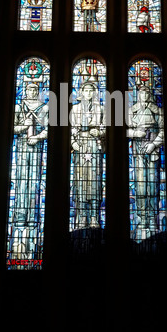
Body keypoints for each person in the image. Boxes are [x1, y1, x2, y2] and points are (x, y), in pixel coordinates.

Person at [11, 83, 48, 258]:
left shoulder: (45, 107)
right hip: (21, 146)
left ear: (38, 91)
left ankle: (33, 218)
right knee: (21, 182)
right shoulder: (18, 107)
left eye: (35, 90)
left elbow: (49, 129)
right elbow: (12, 128)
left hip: (37, 147)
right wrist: (24, 127)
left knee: (34, 182)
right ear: (25, 91)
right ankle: (19, 218)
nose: (32, 92)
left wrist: (38, 137)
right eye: (29, 89)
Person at [127, 84, 164, 230]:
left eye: (147, 93)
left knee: (153, 186)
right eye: (141, 93)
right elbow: (122, 131)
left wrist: (154, 144)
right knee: (140, 185)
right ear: (138, 95)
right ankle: (142, 218)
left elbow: (164, 130)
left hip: (153, 151)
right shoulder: (132, 111)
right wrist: (136, 134)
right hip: (138, 152)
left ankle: (152, 218)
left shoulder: (158, 111)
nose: (144, 96)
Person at [70, 79, 105, 229]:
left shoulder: (101, 109)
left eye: (91, 91)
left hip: (94, 146)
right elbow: (70, 129)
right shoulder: (75, 109)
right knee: (80, 181)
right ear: (81, 92)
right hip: (80, 146)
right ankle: (82, 216)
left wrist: (100, 132)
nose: (89, 93)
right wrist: (73, 143)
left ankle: (94, 217)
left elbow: (105, 128)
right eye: (86, 90)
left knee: (95, 182)